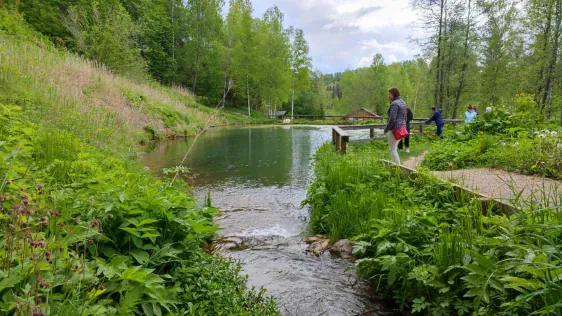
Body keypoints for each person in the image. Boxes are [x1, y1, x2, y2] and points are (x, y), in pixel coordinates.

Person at [384, 87, 407, 164]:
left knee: (392, 149)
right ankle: (394, 165)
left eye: (389, 94)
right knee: (394, 148)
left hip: (395, 129)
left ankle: (398, 167)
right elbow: (405, 117)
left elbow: (392, 119)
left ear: (393, 94)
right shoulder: (403, 102)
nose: (388, 96)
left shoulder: (394, 103)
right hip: (402, 128)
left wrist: (386, 129)